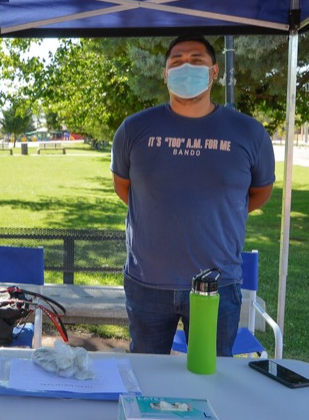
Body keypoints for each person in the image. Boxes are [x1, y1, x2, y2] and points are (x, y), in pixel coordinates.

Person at [110, 35, 275, 357]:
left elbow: (258, 194)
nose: (186, 66)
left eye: (197, 60)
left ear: (214, 72)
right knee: (146, 380)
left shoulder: (249, 133)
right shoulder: (133, 130)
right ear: (165, 74)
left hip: (217, 285)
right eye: (177, 61)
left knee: (209, 379)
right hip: (147, 284)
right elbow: (126, 190)